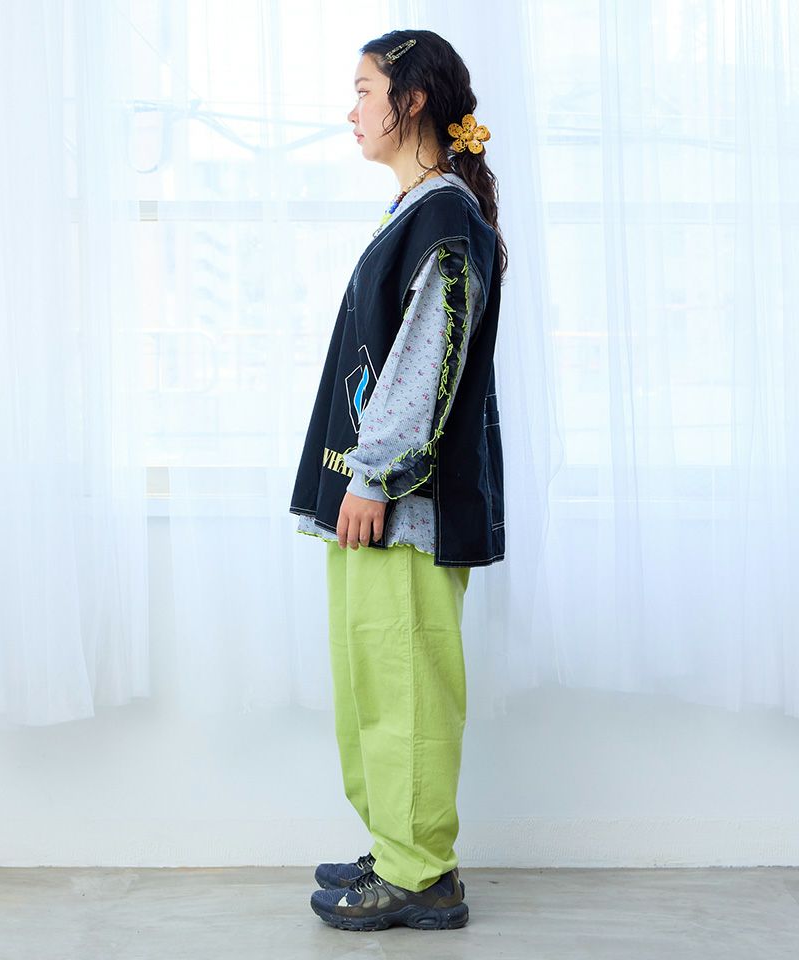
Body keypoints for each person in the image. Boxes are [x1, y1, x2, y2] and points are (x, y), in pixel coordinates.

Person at [289, 28, 508, 932]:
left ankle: (422, 876)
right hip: (374, 500)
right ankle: (396, 847)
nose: (351, 110)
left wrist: (374, 478)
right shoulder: (419, 210)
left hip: (402, 506)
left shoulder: (443, 219)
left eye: (363, 91)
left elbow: (426, 365)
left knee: (406, 688)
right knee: (373, 687)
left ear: (411, 101)